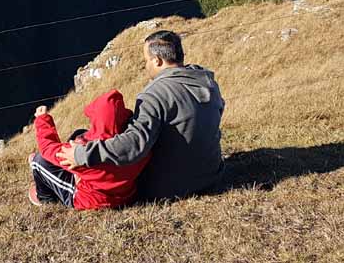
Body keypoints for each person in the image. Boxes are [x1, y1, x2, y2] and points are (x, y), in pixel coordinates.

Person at [56, 30, 225, 200]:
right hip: (211, 176)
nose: (146, 66)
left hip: (170, 188)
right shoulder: (207, 82)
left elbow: (134, 145)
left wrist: (81, 155)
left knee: (82, 137)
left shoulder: (155, 93)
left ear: (157, 61)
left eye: (146, 60)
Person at [28, 89, 149, 210]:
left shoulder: (89, 154)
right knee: (80, 133)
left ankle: (45, 197)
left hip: (93, 199)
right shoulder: (137, 142)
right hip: (123, 192)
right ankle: (78, 174)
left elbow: (47, 148)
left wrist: (42, 119)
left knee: (38, 161)